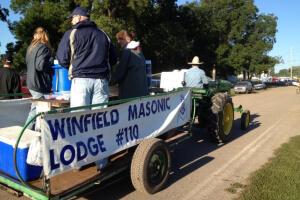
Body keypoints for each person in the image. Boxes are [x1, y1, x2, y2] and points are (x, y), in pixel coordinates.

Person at [56, 6, 117, 111]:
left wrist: (74, 66)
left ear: (79, 17)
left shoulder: (71, 33)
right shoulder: (103, 34)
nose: (71, 21)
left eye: (72, 18)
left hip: (81, 80)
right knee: (100, 119)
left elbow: (62, 59)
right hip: (101, 81)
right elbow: (113, 59)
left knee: (79, 118)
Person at [25, 27, 53, 130]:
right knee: (41, 111)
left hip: (32, 82)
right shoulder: (44, 47)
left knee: (34, 110)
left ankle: (27, 133)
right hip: (39, 83)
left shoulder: (31, 47)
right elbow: (40, 66)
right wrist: (50, 62)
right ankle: (37, 134)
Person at [112, 31, 148, 99]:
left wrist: (109, 81)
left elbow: (120, 72)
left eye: (120, 39)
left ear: (127, 39)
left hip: (129, 94)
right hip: (142, 94)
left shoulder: (127, 52)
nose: (118, 41)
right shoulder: (139, 51)